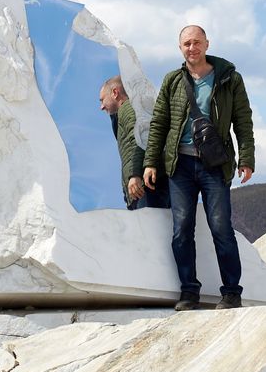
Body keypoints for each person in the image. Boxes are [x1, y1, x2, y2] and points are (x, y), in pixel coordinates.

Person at [143, 25, 254, 310]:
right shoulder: (172, 80)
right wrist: (151, 163)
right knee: (181, 230)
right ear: (180, 48)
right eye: (186, 44)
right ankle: (189, 291)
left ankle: (231, 293)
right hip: (179, 165)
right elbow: (159, 124)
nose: (191, 48)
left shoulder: (230, 78)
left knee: (220, 227)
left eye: (196, 42)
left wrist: (246, 158)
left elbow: (243, 120)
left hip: (214, 165)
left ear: (207, 44)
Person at [99, 75, 170, 210]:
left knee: (150, 228)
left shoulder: (129, 109)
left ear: (115, 93)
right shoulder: (124, 113)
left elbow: (142, 139)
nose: (101, 107)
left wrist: (135, 175)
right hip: (144, 186)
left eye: (102, 100)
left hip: (147, 185)